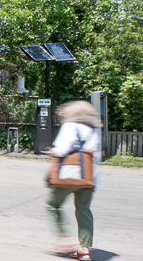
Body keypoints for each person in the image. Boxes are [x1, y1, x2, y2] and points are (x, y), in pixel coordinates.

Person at [45, 100, 102, 261]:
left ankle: (64, 239)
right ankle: (84, 249)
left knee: (52, 205)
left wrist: (52, 151)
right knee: (84, 210)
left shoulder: (70, 126)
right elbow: (96, 154)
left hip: (69, 175)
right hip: (90, 177)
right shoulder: (95, 128)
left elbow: (62, 149)